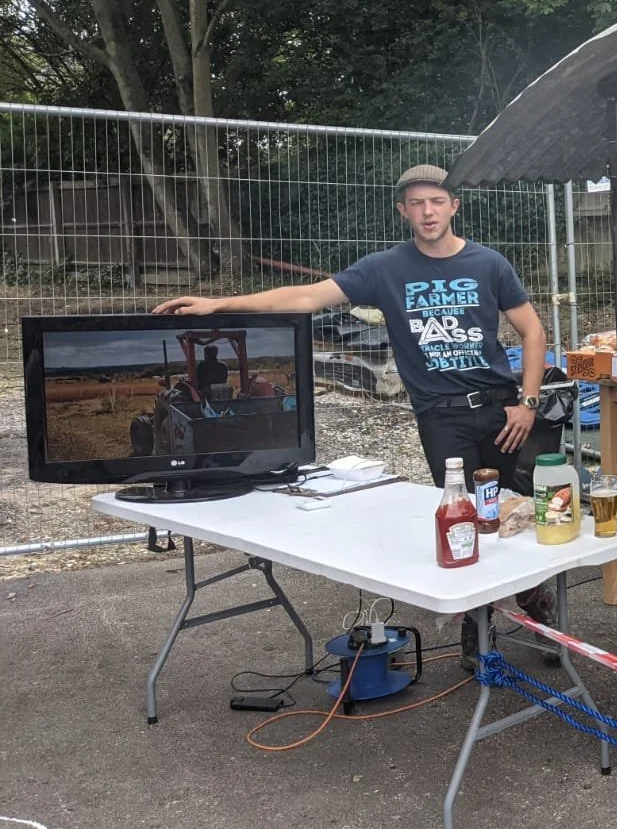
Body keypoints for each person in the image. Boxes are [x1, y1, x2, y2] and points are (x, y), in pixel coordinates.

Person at [154, 164, 556, 668]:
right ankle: (477, 633)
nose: (428, 212)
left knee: (512, 515)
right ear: (403, 211)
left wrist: (528, 402)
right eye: (417, 203)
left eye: (437, 201)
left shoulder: (489, 263)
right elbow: (306, 297)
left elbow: (532, 331)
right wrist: (218, 305)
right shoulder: (385, 268)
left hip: (501, 412)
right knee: (462, 520)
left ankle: (541, 617)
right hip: (441, 419)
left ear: (454, 206)